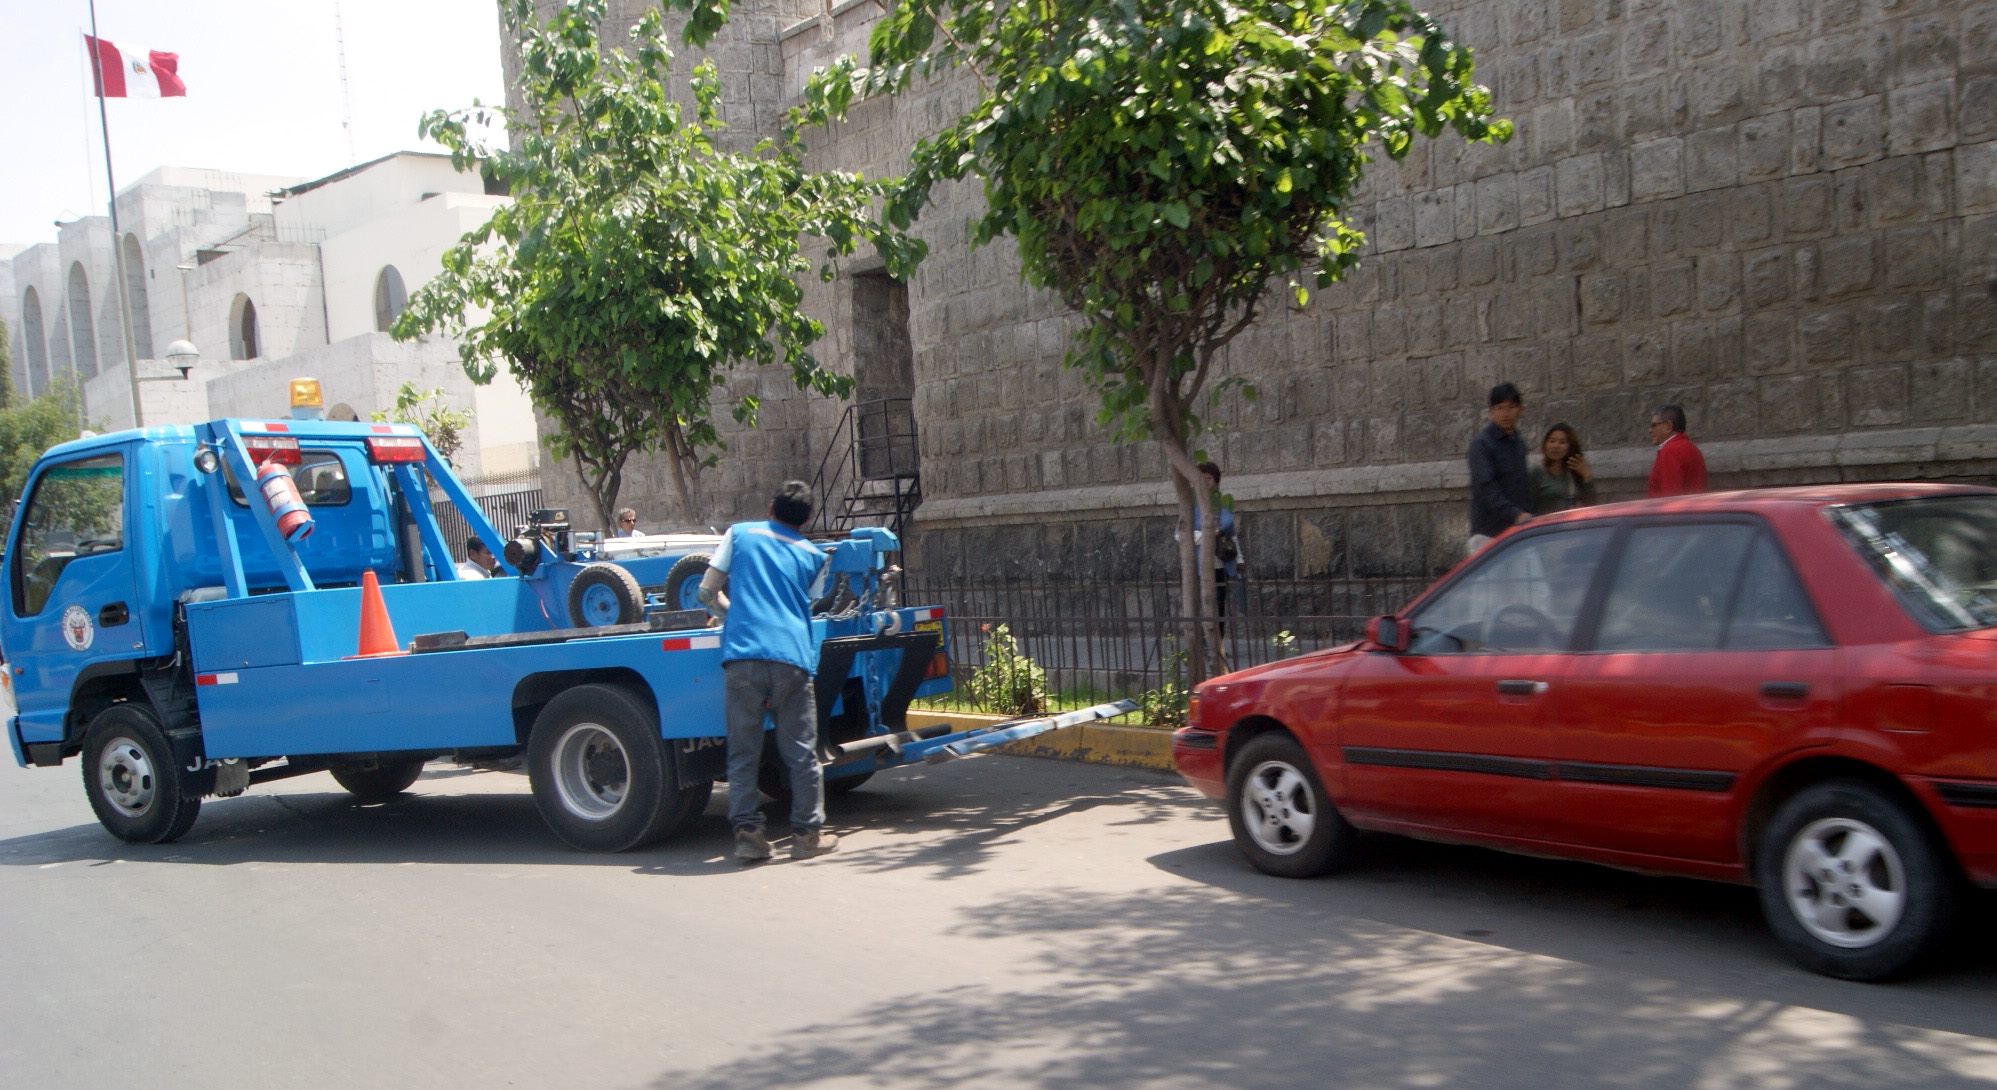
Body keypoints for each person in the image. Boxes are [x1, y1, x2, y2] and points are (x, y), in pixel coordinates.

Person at [698, 481, 837, 863]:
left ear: (771, 507)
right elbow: (805, 604)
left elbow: (705, 592)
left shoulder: (739, 534)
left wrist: (732, 614)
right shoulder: (814, 555)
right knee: (801, 753)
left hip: (743, 657)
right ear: (807, 519)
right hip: (791, 657)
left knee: (744, 751)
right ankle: (808, 836)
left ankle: (749, 837)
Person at [1466, 382, 1533, 554]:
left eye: (1511, 407)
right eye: (1500, 408)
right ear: (1491, 411)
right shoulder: (1482, 445)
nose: (1506, 413)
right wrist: (1516, 514)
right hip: (1489, 534)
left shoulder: (1518, 442)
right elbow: (1486, 487)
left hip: (1516, 531)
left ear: (1520, 410)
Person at [1197, 462, 1243, 620]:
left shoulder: (1223, 503)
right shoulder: (1192, 506)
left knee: (1219, 604)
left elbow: (1231, 532)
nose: (1205, 483)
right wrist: (1206, 535)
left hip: (1219, 562)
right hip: (1198, 563)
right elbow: (1180, 533)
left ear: (1216, 481)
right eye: (1201, 480)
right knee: (1201, 605)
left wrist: (1240, 560)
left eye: (1208, 479)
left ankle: (1219, 640)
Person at [1527, 423, 1598, 514]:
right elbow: (1527, 506)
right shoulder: (1536, 472)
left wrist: (1586, 476)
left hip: (1569, 525)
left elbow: (1591, 505)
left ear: (1570, 447)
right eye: (1552, 441)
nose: (1556, 446)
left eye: (1562, 442)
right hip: (1545, 525)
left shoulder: (1573, 473)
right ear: (1545, 444)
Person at [1647, 404, 1709, 497]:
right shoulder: (1691, 447)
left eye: (1654, 425)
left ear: (1668, 426)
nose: (1650, 430)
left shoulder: (1670, 451)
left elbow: (1670, 496)